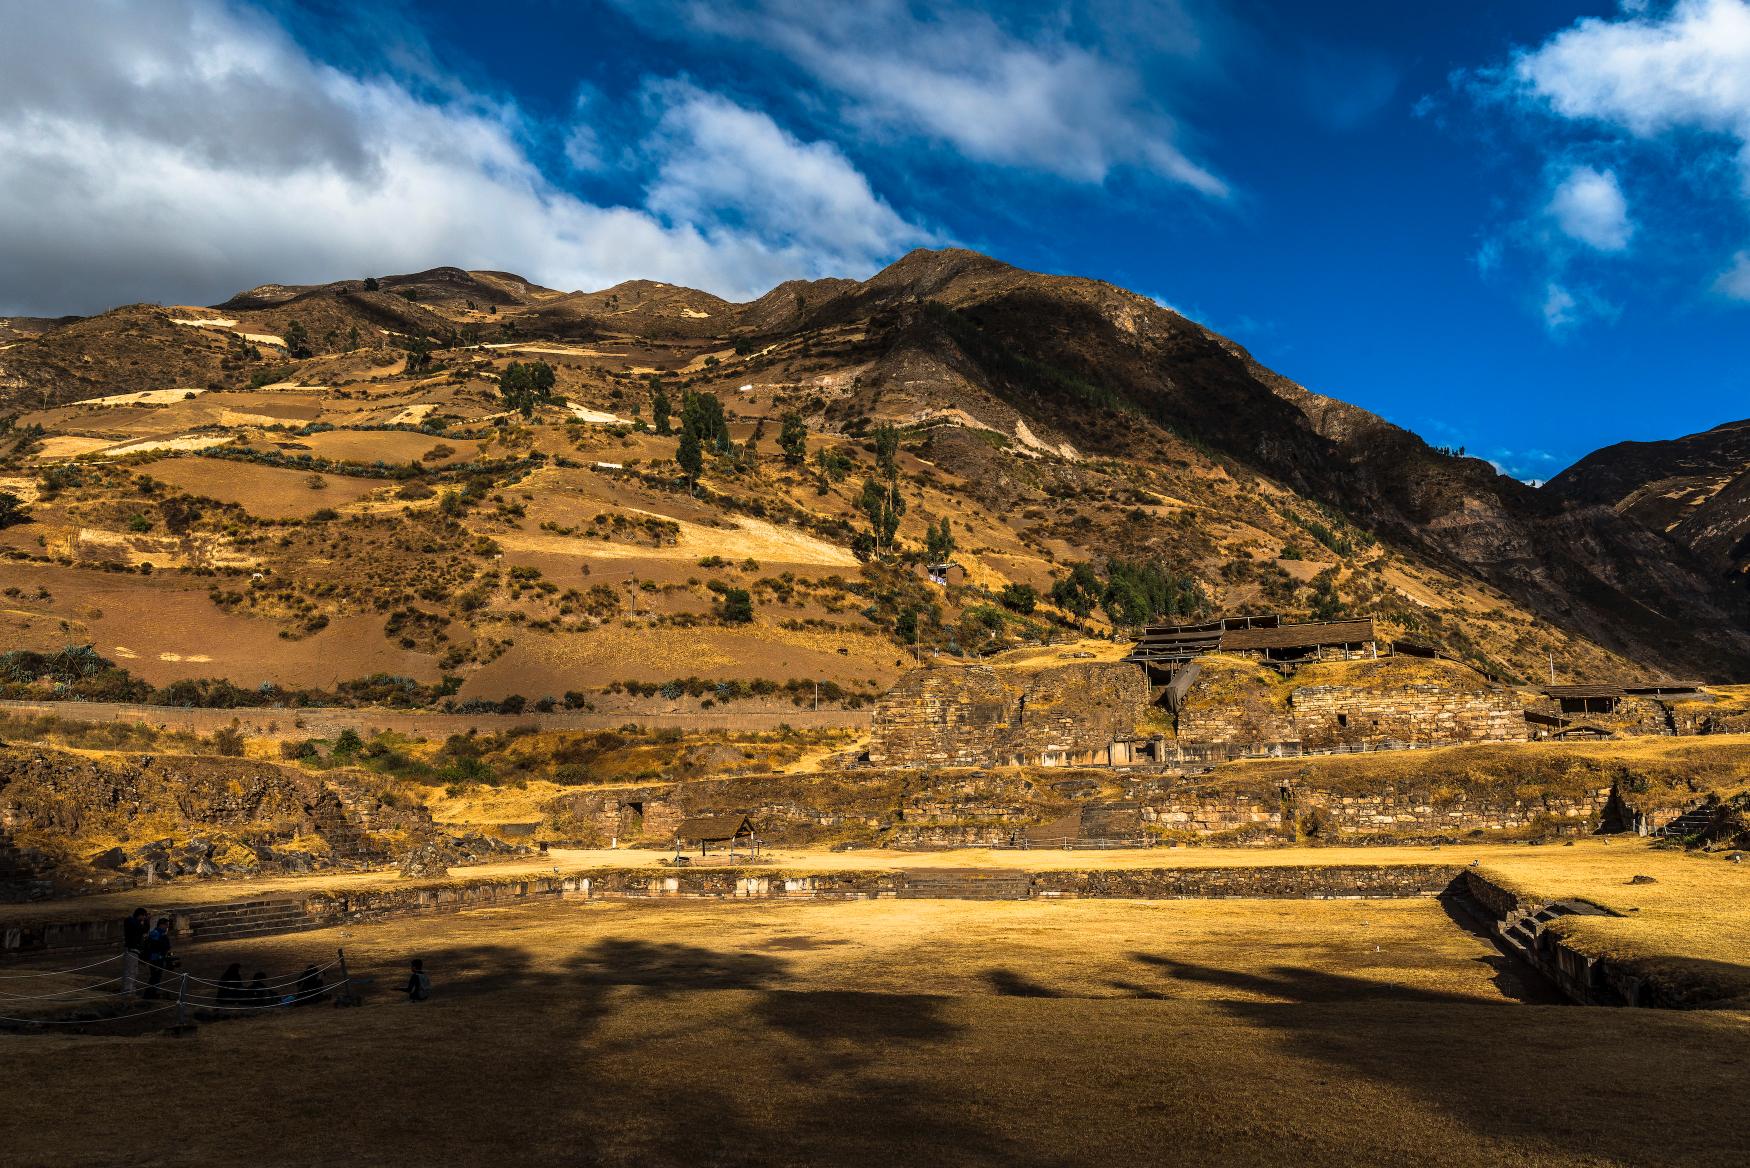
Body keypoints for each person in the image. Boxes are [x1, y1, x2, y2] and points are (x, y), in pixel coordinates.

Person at [141, 917, 173, 1001]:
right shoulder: (156, 933)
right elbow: (156, 946)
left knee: (157, 977)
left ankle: (151, 993)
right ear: (161, 925)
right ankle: (149, 994)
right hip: (155, 958)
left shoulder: (158, 933)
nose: (167, 927)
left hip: (158, 957)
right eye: (166, 925)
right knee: (155, 976)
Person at [121, 908, 150, 996]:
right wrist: (147, 921)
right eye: (144, 916)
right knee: (130, 970)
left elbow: (143, 930)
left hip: (135, 950)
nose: (144, 918)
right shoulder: (130, 922)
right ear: (140, 915)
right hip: (131, 949)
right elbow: (143, 929)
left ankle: (131, 989)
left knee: (134, 971)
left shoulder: (133, 922)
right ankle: (127, 990)